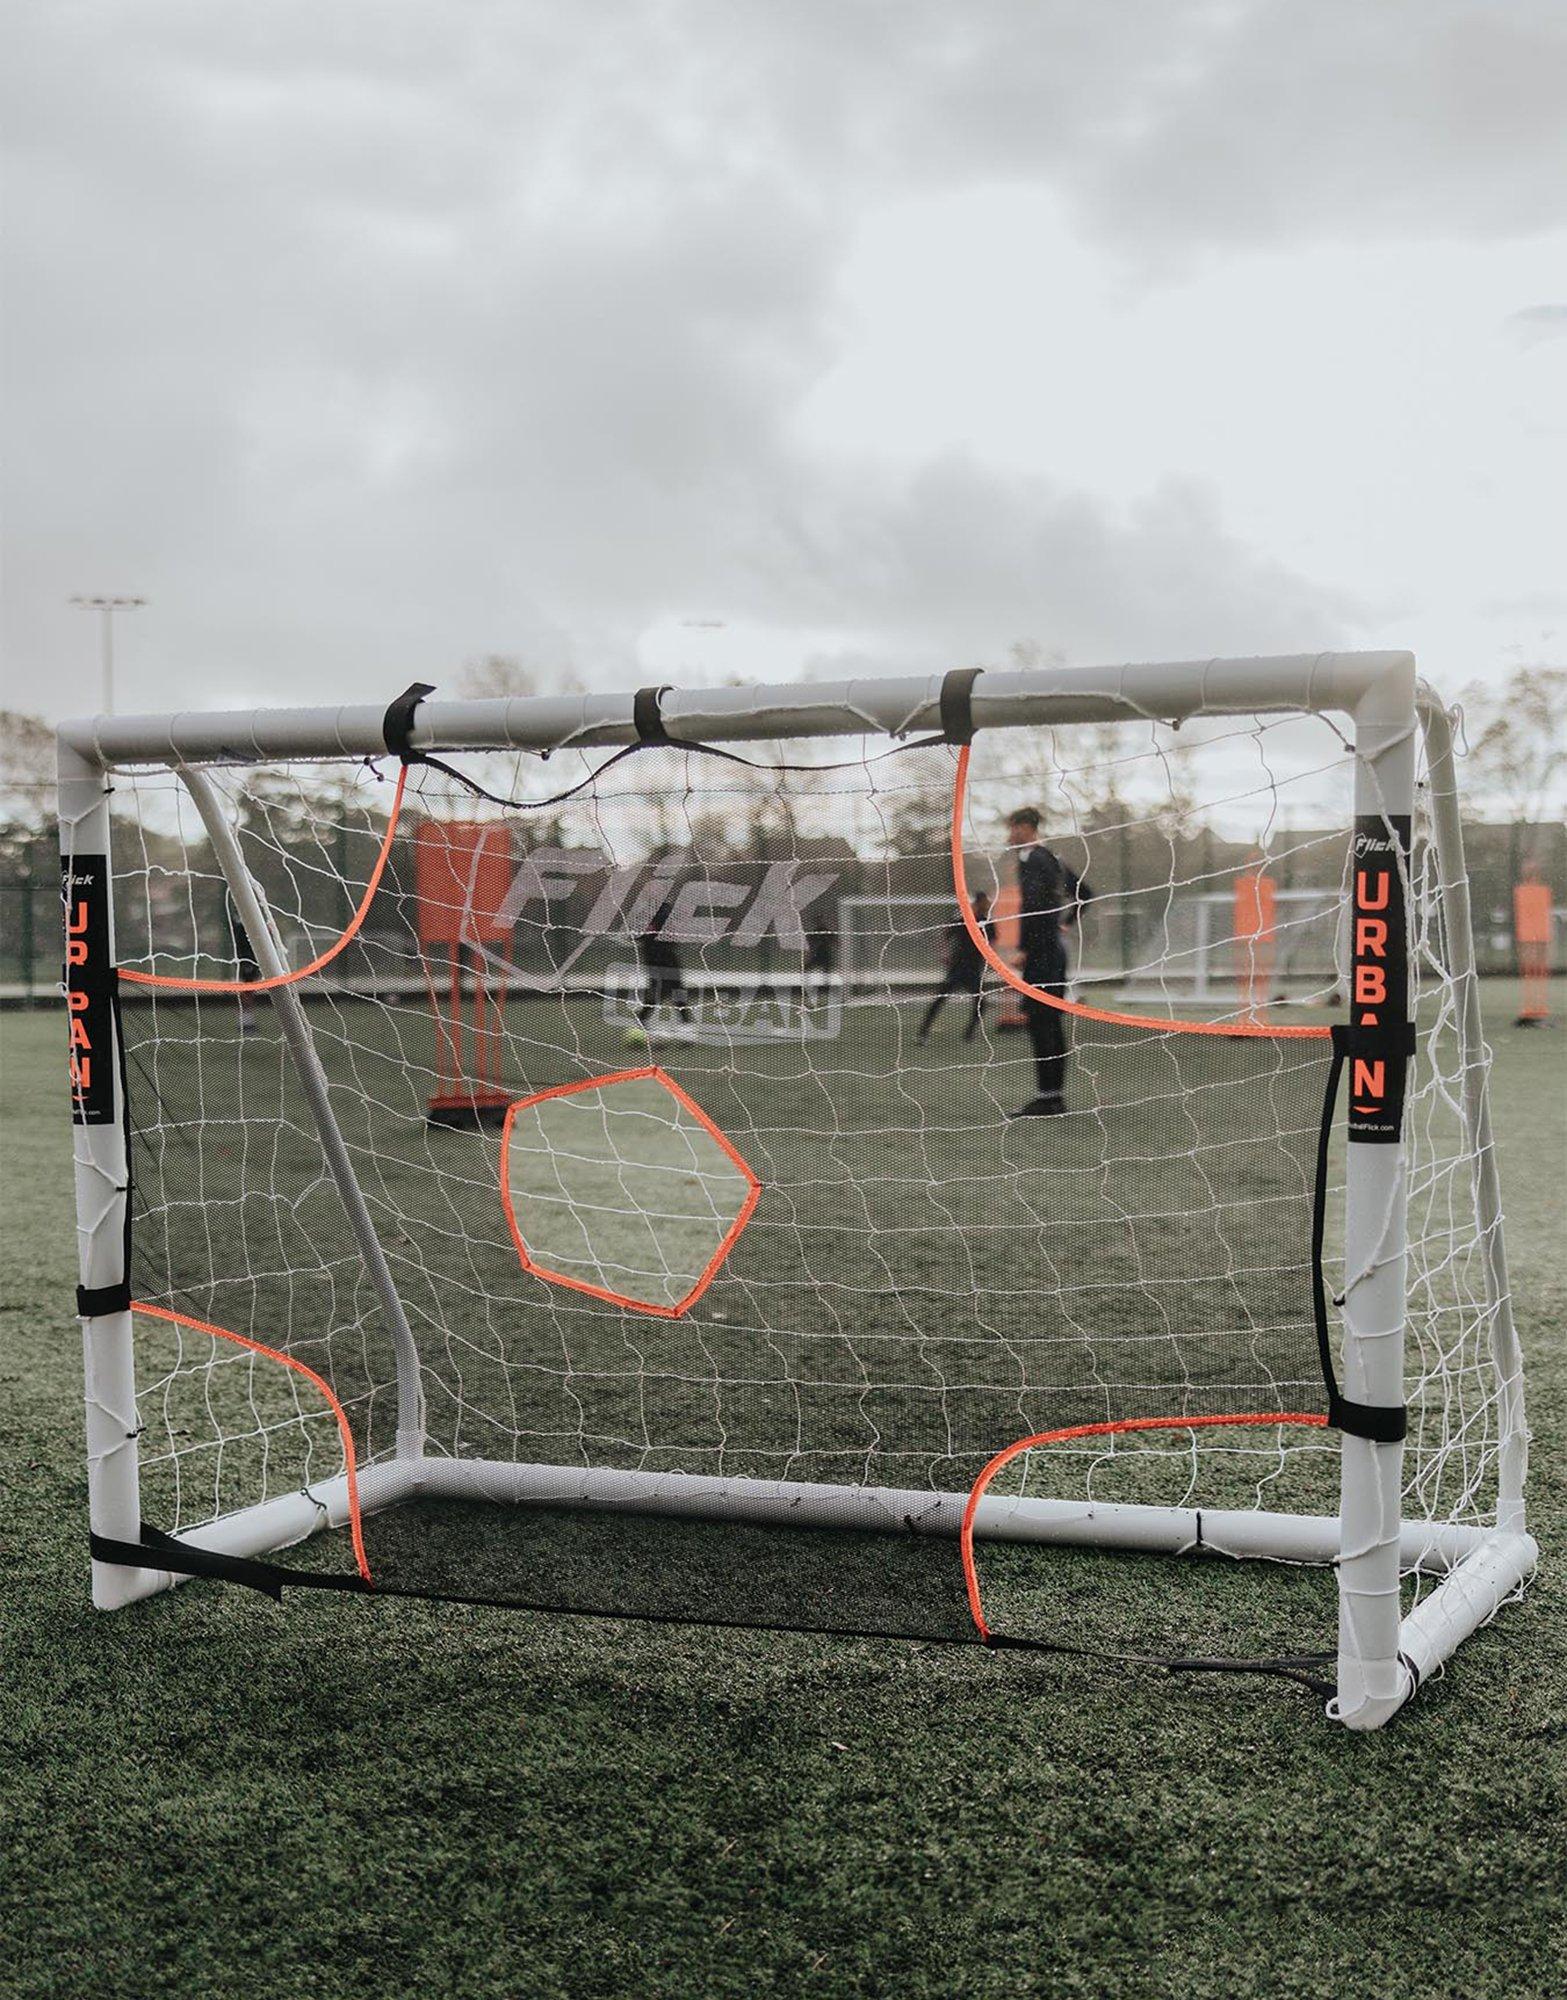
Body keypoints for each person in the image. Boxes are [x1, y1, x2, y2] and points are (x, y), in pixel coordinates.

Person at [1004, 807, 1091, 1116]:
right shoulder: (1050, 858)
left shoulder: (1035, 860)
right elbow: (1086, 893)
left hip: (1043, 953)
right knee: (1047, 1023)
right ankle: (1052, 1096)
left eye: (1012, 828)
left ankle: (1049, 1098)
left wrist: (1027, 948)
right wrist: (1065, 924)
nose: (1009, 836)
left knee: (1043, 1023)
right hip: (1051, 950)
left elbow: (1037, 907)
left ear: (1026, 827)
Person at [916, 890, 993, 1043]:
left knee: (981, 1003)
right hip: (958, 966)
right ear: (978, 903)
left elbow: (992, 943)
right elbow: (945, 934)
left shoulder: (986, 921)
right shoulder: (962, 918)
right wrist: (943, 953)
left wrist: (991, 962)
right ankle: (923, 1032)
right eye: (984, 902)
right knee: (941, 998)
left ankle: (969, 1034)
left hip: (974, 968)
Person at [634, 899, 694, 1033]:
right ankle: (642, 1019)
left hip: (667, 954)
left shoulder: (665, 908)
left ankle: (685, 1024)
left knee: (676, 988)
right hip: (653, 956)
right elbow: (639, 932)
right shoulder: (646, 910)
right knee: (660, 989)